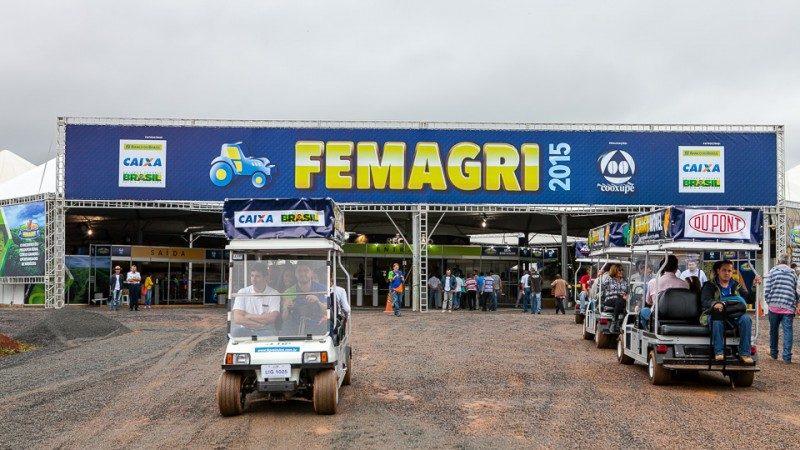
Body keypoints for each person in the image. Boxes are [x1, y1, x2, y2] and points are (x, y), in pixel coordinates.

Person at [700, 260, 753, 364]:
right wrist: (715, 303)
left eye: (729, 271)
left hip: (733, 314)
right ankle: (719, 352)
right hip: (717, 313)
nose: (727, 273)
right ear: (718, 271)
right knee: (717, 318)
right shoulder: (710, 285)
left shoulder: (736, 285)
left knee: (746, 319)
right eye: (724, 270)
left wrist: (754, 287)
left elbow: (749, 299)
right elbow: (705, 300)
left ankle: (745, 353)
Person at [765, 254, 799, 363]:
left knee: (773, 331)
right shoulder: (793, 273)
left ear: (779, 261)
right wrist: (796, 302)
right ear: (788, 262)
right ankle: (787, 357)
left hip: (774, 307)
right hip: (788, 307)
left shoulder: (772, 272)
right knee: (788, 332)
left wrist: (769, 301)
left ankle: (774, 353)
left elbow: (767, 289)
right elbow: (797, 290)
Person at [639, 256, 688, 329]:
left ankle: (646, 330)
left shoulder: (653, 282)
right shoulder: (684, 284)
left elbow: (648, 301)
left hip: (658, 317)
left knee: (643, 311)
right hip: (681, 317)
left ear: (663, 267)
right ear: (676, 268)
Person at [232, 265, 281, 333]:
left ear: (266, 278)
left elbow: (272, 318)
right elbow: (237, 318)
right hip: (247, 328)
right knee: (235, 332)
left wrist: (248, 316)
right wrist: (258, 325)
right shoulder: (242, 292)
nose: (253, 279)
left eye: (257, 276)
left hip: (266, 330)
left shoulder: (274, 293)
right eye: (252, 276)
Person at [283, 263, 329, 334]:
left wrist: (318, 301)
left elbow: (327, 312)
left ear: (312, 273)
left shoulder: (323, 289)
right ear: (295, 273)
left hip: (317, 324)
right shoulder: (289, 292)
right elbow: (284, 318)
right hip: (295, 326)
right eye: (299, 271)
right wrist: (287, 308)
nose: (302, 274)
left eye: (306, 270)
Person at [602, 264, 629, 332]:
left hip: (622, 299)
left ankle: (622, 322)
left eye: (622, 270)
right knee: (619, 300)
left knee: (623, 301)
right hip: (610, 299)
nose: (621, 271)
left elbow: (628, 291)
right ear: (614, 271)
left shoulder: (625, 280)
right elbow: (601, 286)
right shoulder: (609, 279)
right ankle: (615, 322)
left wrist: (627, 296)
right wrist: (600, 275)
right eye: (619, 270)